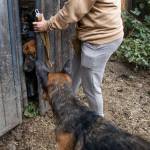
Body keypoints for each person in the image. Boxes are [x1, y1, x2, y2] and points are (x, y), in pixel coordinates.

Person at [33, 0, 124, 117]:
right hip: (101, 34)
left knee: (91, 86)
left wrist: (47, 24)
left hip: (100, 40)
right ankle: (67, 108)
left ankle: (98, 124)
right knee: (74, 75)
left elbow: (72, 9)